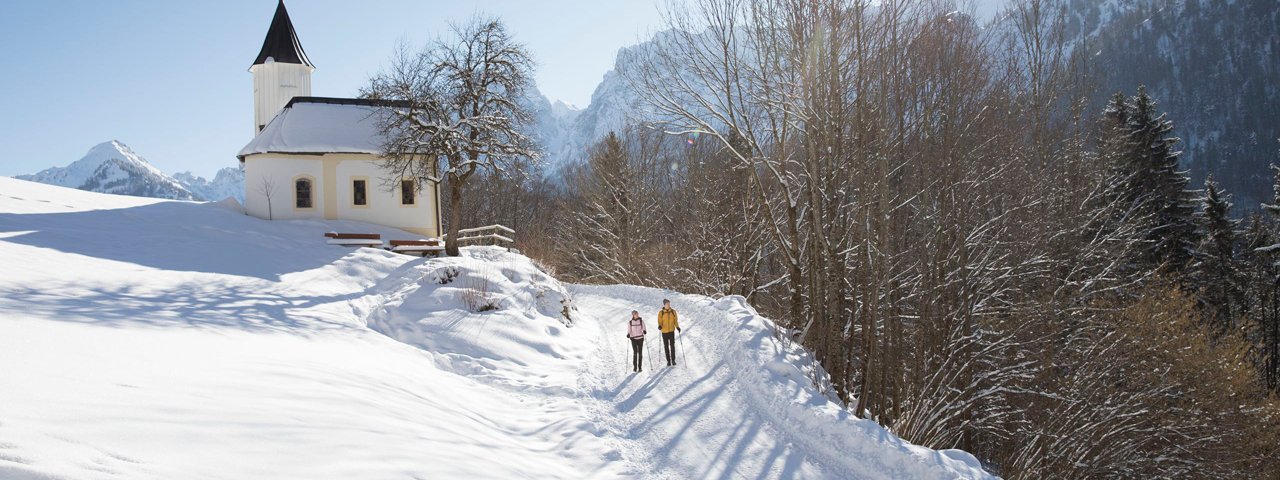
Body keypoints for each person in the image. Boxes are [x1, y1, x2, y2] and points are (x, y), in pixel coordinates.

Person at [657, 299, 681, 366]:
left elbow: (675, 320)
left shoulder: (673, 312)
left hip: (671, 331)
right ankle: (668, 361)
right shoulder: (661, 313)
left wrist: (677, 327)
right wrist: (660, 326)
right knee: (666, 346)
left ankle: (673, 360)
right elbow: (659, 321)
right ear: (664, 305)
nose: (668, 305)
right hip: (664, 332)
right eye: (667, 304)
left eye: (669, 304)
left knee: (672, 346)